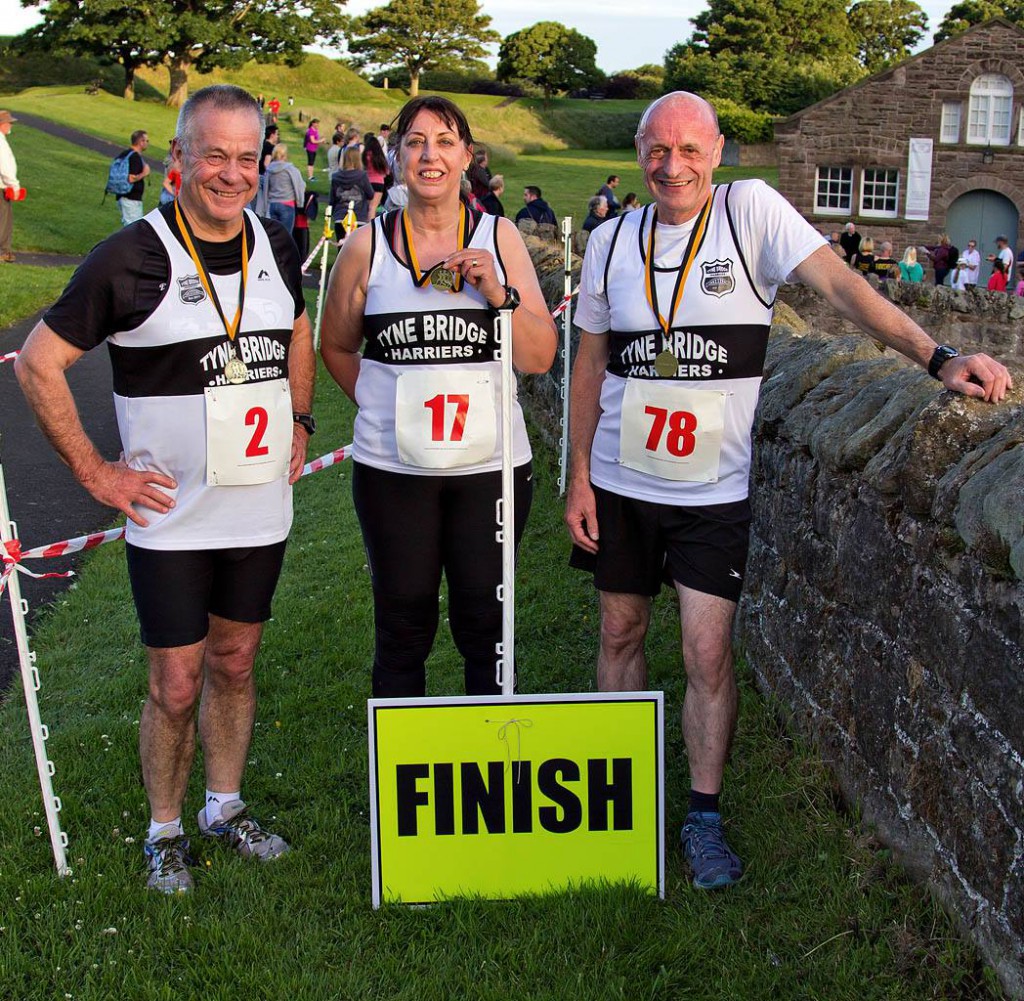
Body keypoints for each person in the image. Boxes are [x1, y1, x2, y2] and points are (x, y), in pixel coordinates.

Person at [564, 91, 1011, 893]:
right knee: (620, 631)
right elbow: (590, 363)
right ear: (639, 154)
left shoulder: (752, 213)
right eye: (658, 151)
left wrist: (938, 356)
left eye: (690, 149)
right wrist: (577, 479)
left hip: (710, 489)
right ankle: (617, 803)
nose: (673, 166)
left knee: (705, 650)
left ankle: (702, 815)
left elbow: (843, 291)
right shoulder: (609, 240)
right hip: (622, 481)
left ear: (719, 150)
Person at [14, 84, 316, 894]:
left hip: (257, 506)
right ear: (177, 159)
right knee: (176, 681)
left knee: (238, 661)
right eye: (212, 154)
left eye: (245, 157)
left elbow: (296, 327)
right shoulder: (130, 256)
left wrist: (303, 419)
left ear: (264, 162)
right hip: (171, 517)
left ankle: (224, 804)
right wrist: (95, 471)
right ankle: (165, 829)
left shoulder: (278, 240)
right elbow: (40, 362)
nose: (229, 173)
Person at [319, 95, 557, 698]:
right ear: (397, 156)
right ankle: (405, 784)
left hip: (491, 470)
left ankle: (486, 768)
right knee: (403, 626)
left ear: (467, 157)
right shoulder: (364, 248)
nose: (431, 155)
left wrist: (499, 293)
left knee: (485, 625)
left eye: (445, 142)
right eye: (417, 142)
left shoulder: (499, 236)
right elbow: (338, 348)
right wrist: (384, 409)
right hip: (394, 471)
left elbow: (539, 356)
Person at [265, 144, 306, 248]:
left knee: (273, 236)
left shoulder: (269, 169)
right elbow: (299, 185)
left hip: (273, 204)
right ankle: (284, 260)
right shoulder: (290, 169)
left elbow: (266, 187)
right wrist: (300, 202)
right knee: (286, 236)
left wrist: (266, 204)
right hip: (287, 204)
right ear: (285, 155)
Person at [330, 146, 374, 239]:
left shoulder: (336, 177)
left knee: (342, 249)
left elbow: (332, 199)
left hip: (341, 216)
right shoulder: (362, 176)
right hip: (358, 217)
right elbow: (370, 194)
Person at [0, 109, 23, 263]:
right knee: (3, 221)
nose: (10, 126)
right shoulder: (0, 143)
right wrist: (14, 186)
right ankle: (2, 251)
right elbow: (5, 167)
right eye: (8, 123)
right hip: (2, 187)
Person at [116, 129, 150, 227]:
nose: (147, 143)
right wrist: (144, 173)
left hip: (124, 196)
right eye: (146, 141)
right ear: (141, 142)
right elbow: (131, 179)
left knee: (132, 228)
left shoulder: (125, 153)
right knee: (133, 229)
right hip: (130, 199)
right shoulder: (134, 157)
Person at [362, 132, 389, 217]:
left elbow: (362, 168)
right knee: (373, 208)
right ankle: (371, 227)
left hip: (367, 182)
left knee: (366, 207)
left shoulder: (365, 155)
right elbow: (386, 172)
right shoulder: (380, 157)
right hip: (379, 183)